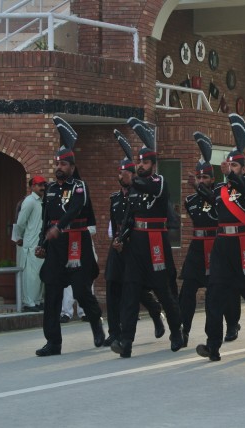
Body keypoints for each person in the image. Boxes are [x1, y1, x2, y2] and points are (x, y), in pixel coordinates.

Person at [110, 123, 184, 359]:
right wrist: (121, 238)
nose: (140, 166)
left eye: (144, 163)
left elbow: (144, 186)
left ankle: (176, 332)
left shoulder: (158, 182)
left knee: (163, 291)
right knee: (130, 292)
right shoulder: (133, 188)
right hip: (137, 246)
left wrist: (131, 178)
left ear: (153, 165)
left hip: (156, 244)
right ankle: (126, 341)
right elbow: (130, 216)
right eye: (139, 163)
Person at [34, 116, 105, 357]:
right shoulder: (51, 190)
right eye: (57, 164)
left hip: (77, 243)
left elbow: (75, 208)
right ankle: (53, 343)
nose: (59, 168)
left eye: (64, 165)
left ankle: (96, 323)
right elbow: (45, 220)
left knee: (81, 291)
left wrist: (60, 227)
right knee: (52, 293)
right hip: (55, 247)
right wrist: (41, 243)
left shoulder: (79, 186)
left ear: (72, 167)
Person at [196, 148, 245, 362]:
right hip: (222, 247)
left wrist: (229, 175)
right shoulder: (221, 188)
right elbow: (215, 203)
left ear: (243, 168)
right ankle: (213, 346)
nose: (230, 169)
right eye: (229, 165)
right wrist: (200, 188)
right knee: (214, 296)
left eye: (234, 166)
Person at [103, 140, 166, 347]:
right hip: (118, 245)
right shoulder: (115, 198)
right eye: (120, 173)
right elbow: (115, 223)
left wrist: (125, 240)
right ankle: (114, 332)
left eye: (125, 173)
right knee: (112, 286)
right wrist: (116, 240)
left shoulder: (138, 192)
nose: (121, 176)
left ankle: (155, 312)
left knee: (136, 290)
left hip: (134, 245)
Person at [179, 138, 241, 347]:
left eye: (205, 177)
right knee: (187, 290)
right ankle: (183, 329)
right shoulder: (190, 201)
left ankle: (232, 323)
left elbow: (213, 202)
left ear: (212, 179)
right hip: (197, 248)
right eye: (199, 177)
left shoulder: (219, 195)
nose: (201, 180)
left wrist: (200, 188)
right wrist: (196, 190)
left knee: (224, 290)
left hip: (216, 246)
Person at [15, 176, 46, 312]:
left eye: (43, 185)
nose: (42, 187)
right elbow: (21, 223)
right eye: (39, 185)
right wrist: (20, 236)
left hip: (41, 243)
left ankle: (38, 301)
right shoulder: (29, 201)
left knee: (40, 274)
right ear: (32, 187)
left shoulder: (43, 201)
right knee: (31, 276)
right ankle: (29, 302)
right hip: (30, 244)